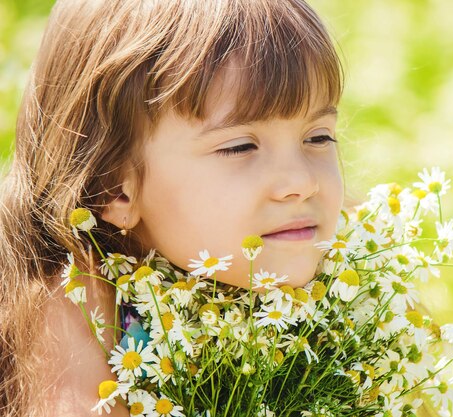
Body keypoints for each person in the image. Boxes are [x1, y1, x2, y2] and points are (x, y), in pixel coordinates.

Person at [0, 0, 345, 415]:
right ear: (115, 190)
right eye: (240, 146)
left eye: (319, 138)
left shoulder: (349, 268)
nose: (302, 183)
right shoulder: (85, 306)